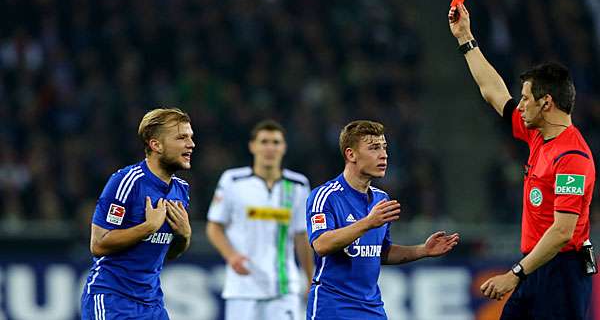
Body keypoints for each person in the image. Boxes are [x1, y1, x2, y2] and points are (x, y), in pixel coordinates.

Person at [449, 4, 596, 319]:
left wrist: (514, 273)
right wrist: (466, 38)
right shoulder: (537, 136)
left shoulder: (573, 158)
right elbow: (492, 92)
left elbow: (561, 232)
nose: (521, 105)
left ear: (547, 103)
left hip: (562, 273)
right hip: (535, 266)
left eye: (526, 98)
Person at [306, 120, 459, 319]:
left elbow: (381, 252)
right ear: (350, 154)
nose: (384, 155)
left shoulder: (381, 199)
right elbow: (321, 244)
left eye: (384, 148)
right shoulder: (326, 196)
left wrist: (422, 250)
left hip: (372, 309)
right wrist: (368, 222)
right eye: (374, 148)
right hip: (333, 308)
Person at [80, 108, 195, 320]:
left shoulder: (181, 189)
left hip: (152, 305)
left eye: (190, 137)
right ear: (156, 145)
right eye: (181, 137)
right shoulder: (127, 182)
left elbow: (167, 252)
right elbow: (98, 245)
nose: (191, 144)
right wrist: (147, 228)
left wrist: (185, 235)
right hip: (112, 299)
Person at [206, 120, 314, 320]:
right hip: (242, 287)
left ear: (284, 147)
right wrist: (231, 256)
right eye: (264, 141)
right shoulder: (233, 181)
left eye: (275, 142)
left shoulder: (298, 185)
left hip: (284, 288)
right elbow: (214, 226)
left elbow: (302, 236)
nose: (270, 148)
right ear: (252, 146)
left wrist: (310, 280)